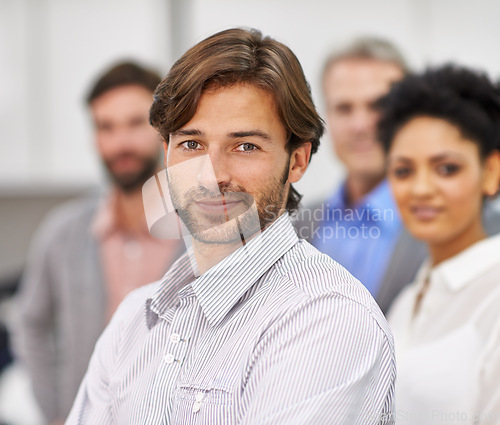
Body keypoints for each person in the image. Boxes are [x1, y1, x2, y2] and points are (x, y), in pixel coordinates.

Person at [66, 28, 395, 425]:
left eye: (245, 146)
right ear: (165, 152)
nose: (211, 175)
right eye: (192, 144)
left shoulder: (328, 320)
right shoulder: (133, 320)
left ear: (297, 161)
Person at [13, 62, 184, 425]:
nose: (119, 142)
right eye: (105, 127)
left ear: (164, 131)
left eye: (135, 123)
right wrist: (58, 412)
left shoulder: (205, 235)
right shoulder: (63, 233)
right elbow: (29, 322)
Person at [379, 65, 500, 423]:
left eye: (446, 168)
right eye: (403, 171)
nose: (420, 189)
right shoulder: (406, 301)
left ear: (491, 172)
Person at [294, 37, 426, 314]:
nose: (360, 125)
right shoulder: (294, 225)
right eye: (344, 108)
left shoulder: (458, 223)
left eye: (378, 106)